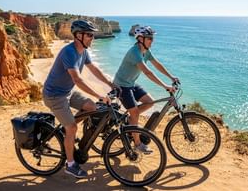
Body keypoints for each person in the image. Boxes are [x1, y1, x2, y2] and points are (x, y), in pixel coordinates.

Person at [42, 19, 114, 179]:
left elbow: (93, 69)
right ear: (78, 35)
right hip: (54, 95)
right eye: (89, 34)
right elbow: (77, 80)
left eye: (92, 35)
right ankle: (71, 165)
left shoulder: (83, 50)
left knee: (92, 107)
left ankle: (65, 129)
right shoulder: (69, 52)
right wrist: (99, 95)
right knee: (73, 128)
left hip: (67, 92)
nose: (92, 38)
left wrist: (110, 83)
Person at [113, 25, 178, 153]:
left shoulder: (145, 51)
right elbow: (148, 73)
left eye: (152, 38)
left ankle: (130, 120)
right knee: (135, 112)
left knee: (150, 102)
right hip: (121, 85)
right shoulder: (135, 52)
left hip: (130, 83)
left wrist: (171, 77)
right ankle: (137, 145)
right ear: (140, 38)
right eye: (149, 38)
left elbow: (157, 64)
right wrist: (165, 86)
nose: (152, 41)